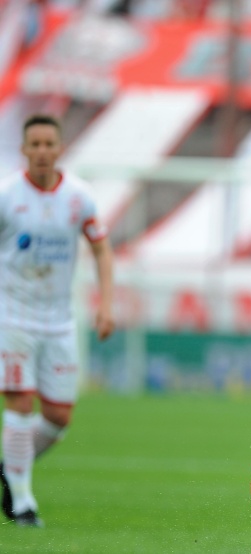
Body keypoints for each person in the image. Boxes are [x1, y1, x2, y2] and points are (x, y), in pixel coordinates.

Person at [0, 114, 115, 527]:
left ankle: (10, 466)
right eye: (36, 144)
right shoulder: (7, 196)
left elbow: (101, 250)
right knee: (18, 401)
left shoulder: (79, 197)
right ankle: (22, 502)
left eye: (50, 143)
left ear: (60, 148)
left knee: (58, 417)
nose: (43, 151)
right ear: (24, 150)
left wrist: (105, 305)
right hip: (12, 315)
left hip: (59, 320)